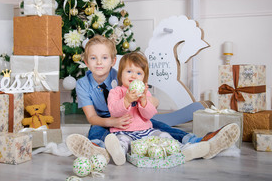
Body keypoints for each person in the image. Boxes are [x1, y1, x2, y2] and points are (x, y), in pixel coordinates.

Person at [65, 35, 240, 163]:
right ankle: (96, 149)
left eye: (104, 58)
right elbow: (92, 117)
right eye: (93, 58)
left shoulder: (122, 74)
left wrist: (146, 101)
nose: (99, 63)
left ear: (113, 61)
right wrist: (113, 121)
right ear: (86, 62)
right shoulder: (82, 84)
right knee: (96, 129)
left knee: (158, 125)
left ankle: (197, 141)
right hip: (105, 119)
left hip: (134, 115)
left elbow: (151, 102)